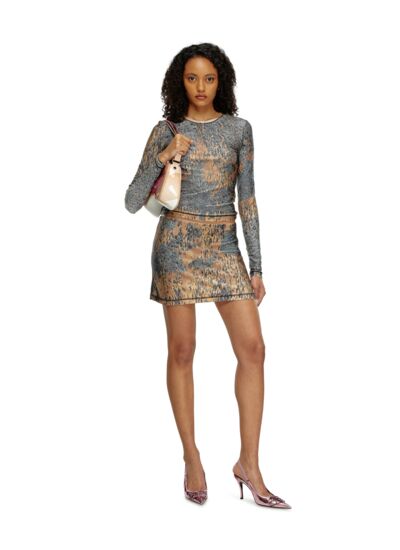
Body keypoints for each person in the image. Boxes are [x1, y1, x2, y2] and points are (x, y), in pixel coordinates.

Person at [125, 43, 291, 508]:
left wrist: (256, 266)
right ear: (180, 82)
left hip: (223, 245)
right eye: (192, 78)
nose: (201, 87)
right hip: (176, 246)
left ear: (222, 82)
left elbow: (248, 200)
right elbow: (132, 201)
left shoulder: (239, 130)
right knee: (182, 350)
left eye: (209, 78)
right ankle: (192, 456)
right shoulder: (167, 130)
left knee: (253, 349)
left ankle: (249, 464)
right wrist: (164, 155)